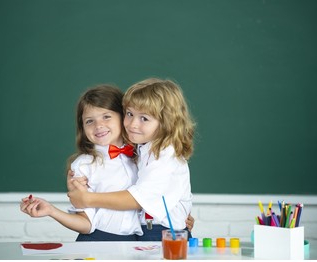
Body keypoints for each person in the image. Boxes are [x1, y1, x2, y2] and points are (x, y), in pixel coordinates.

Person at [67, 78, 195, 241]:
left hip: (162, 232)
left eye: (144, 118)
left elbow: (138, 198)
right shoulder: (141, 149)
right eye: (129, 114)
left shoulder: (165, 154)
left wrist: (87, 199)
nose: (132, 124)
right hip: (143, 231)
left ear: (166, 122)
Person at [20, 84, 143, 241]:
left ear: (124, 117)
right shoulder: (83, 166)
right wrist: (51, 210)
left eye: (106, 116)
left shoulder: (142, 156)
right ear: (82, 127)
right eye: (89, 121)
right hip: (99, 241)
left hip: (136, 242)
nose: (98, 125)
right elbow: (86, 223)